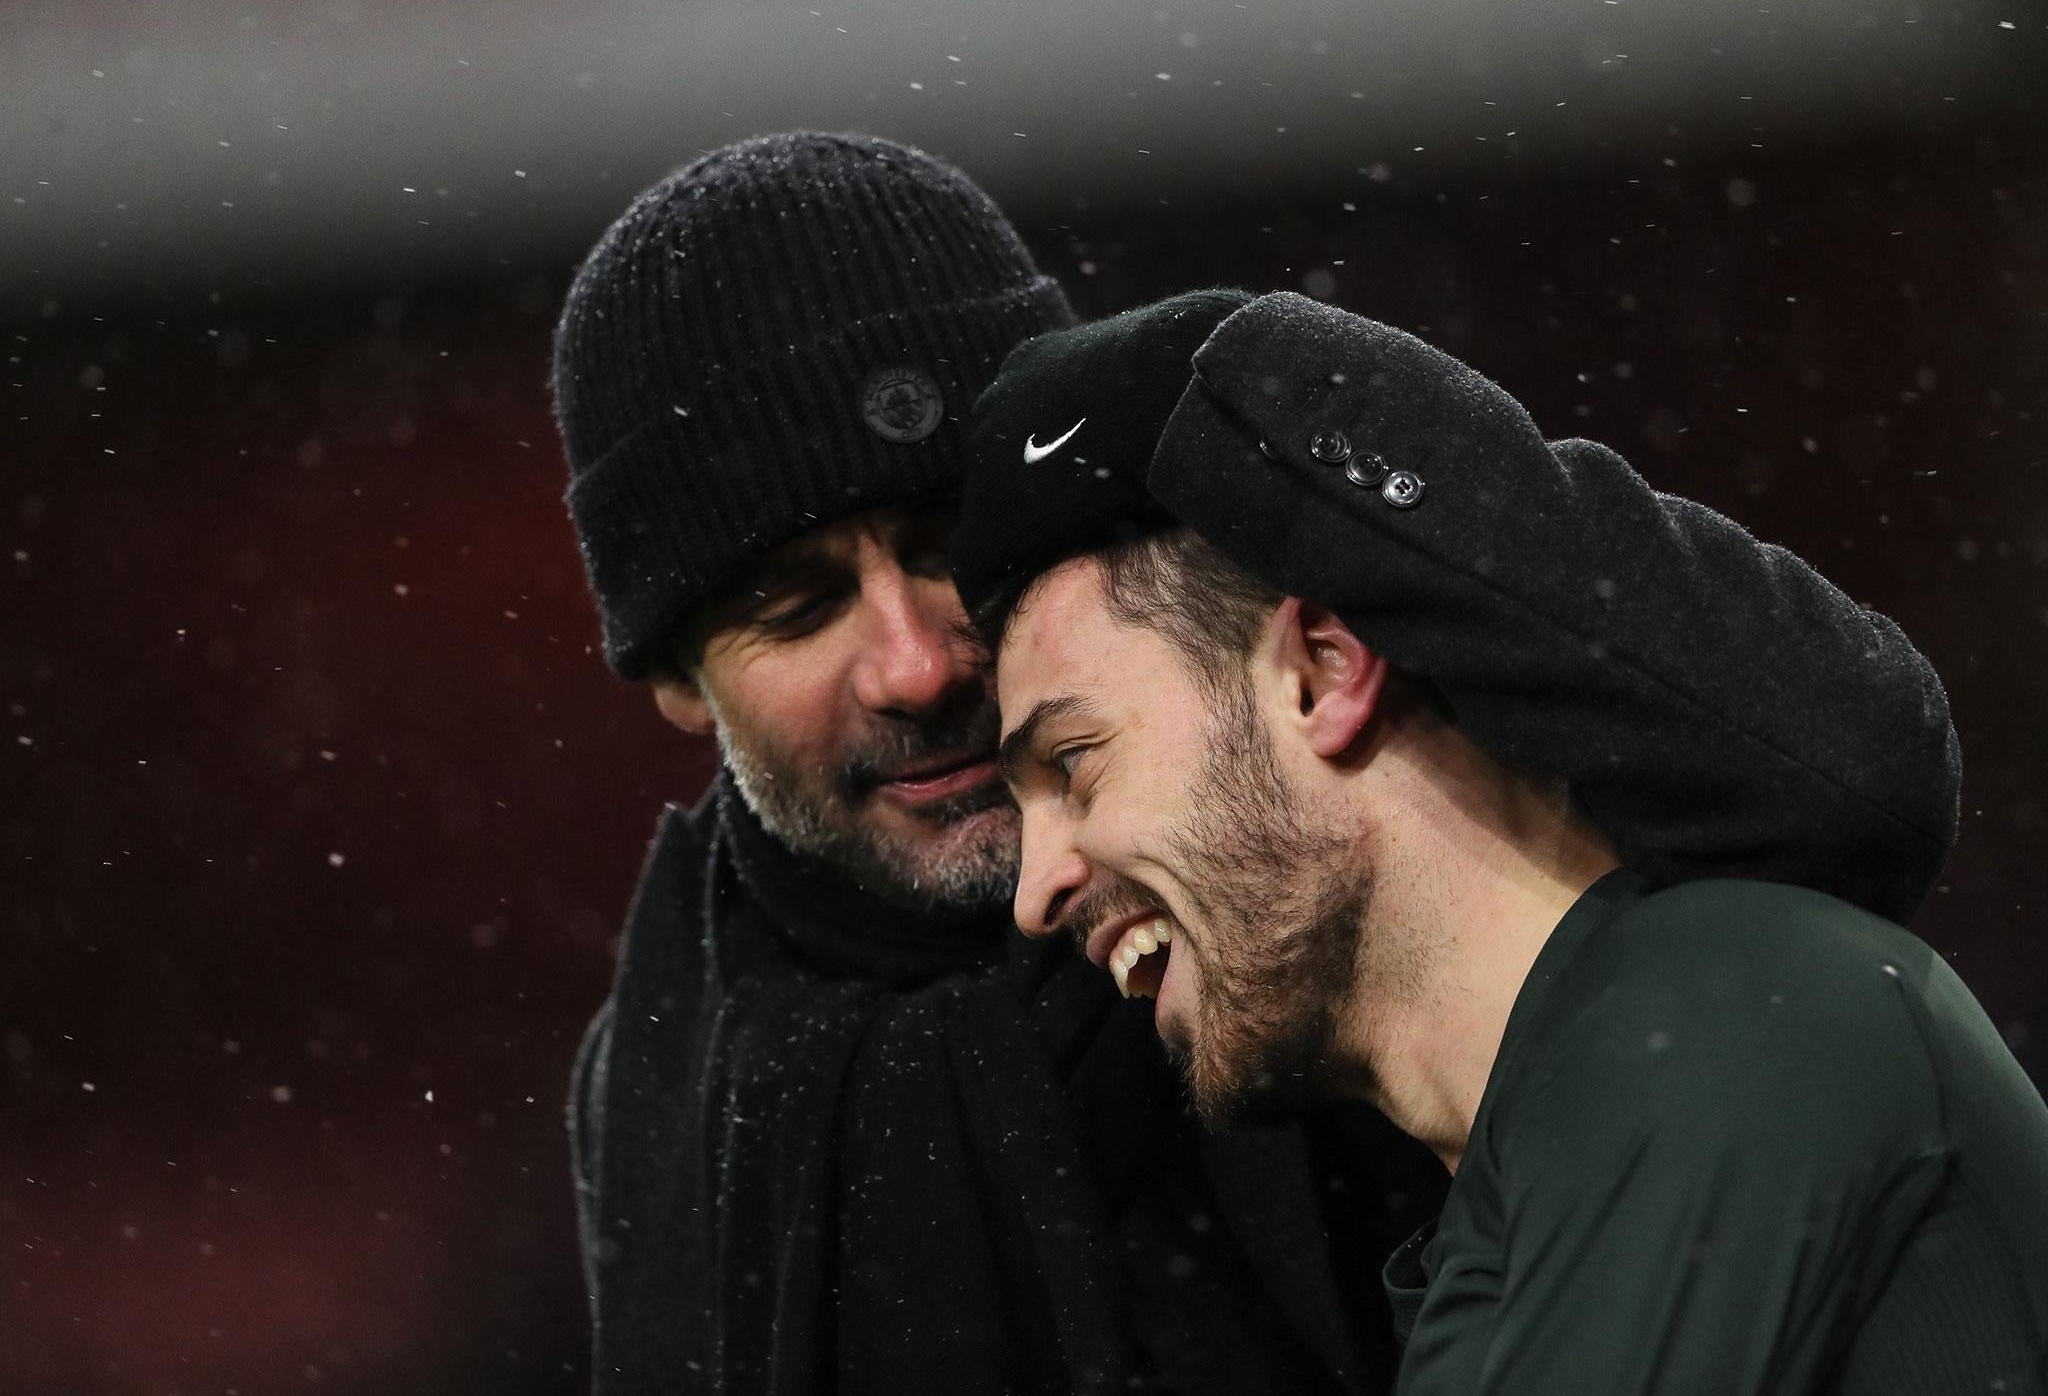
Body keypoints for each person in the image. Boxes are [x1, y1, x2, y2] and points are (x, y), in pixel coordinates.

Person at [551, 136, 1960, 1396]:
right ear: (676, 680)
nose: (919, 666)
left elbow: (1855, 770)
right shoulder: (678, 1088)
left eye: (945, 545)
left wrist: (1223, 383)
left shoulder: (1327, 789)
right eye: (796, 609)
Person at [954, 289, 2043, 1394]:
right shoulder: (1496, 1215)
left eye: (1074, 762)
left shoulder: (1733, 1001)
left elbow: (1861, 758)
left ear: (1321, 673)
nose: (1034, 890)